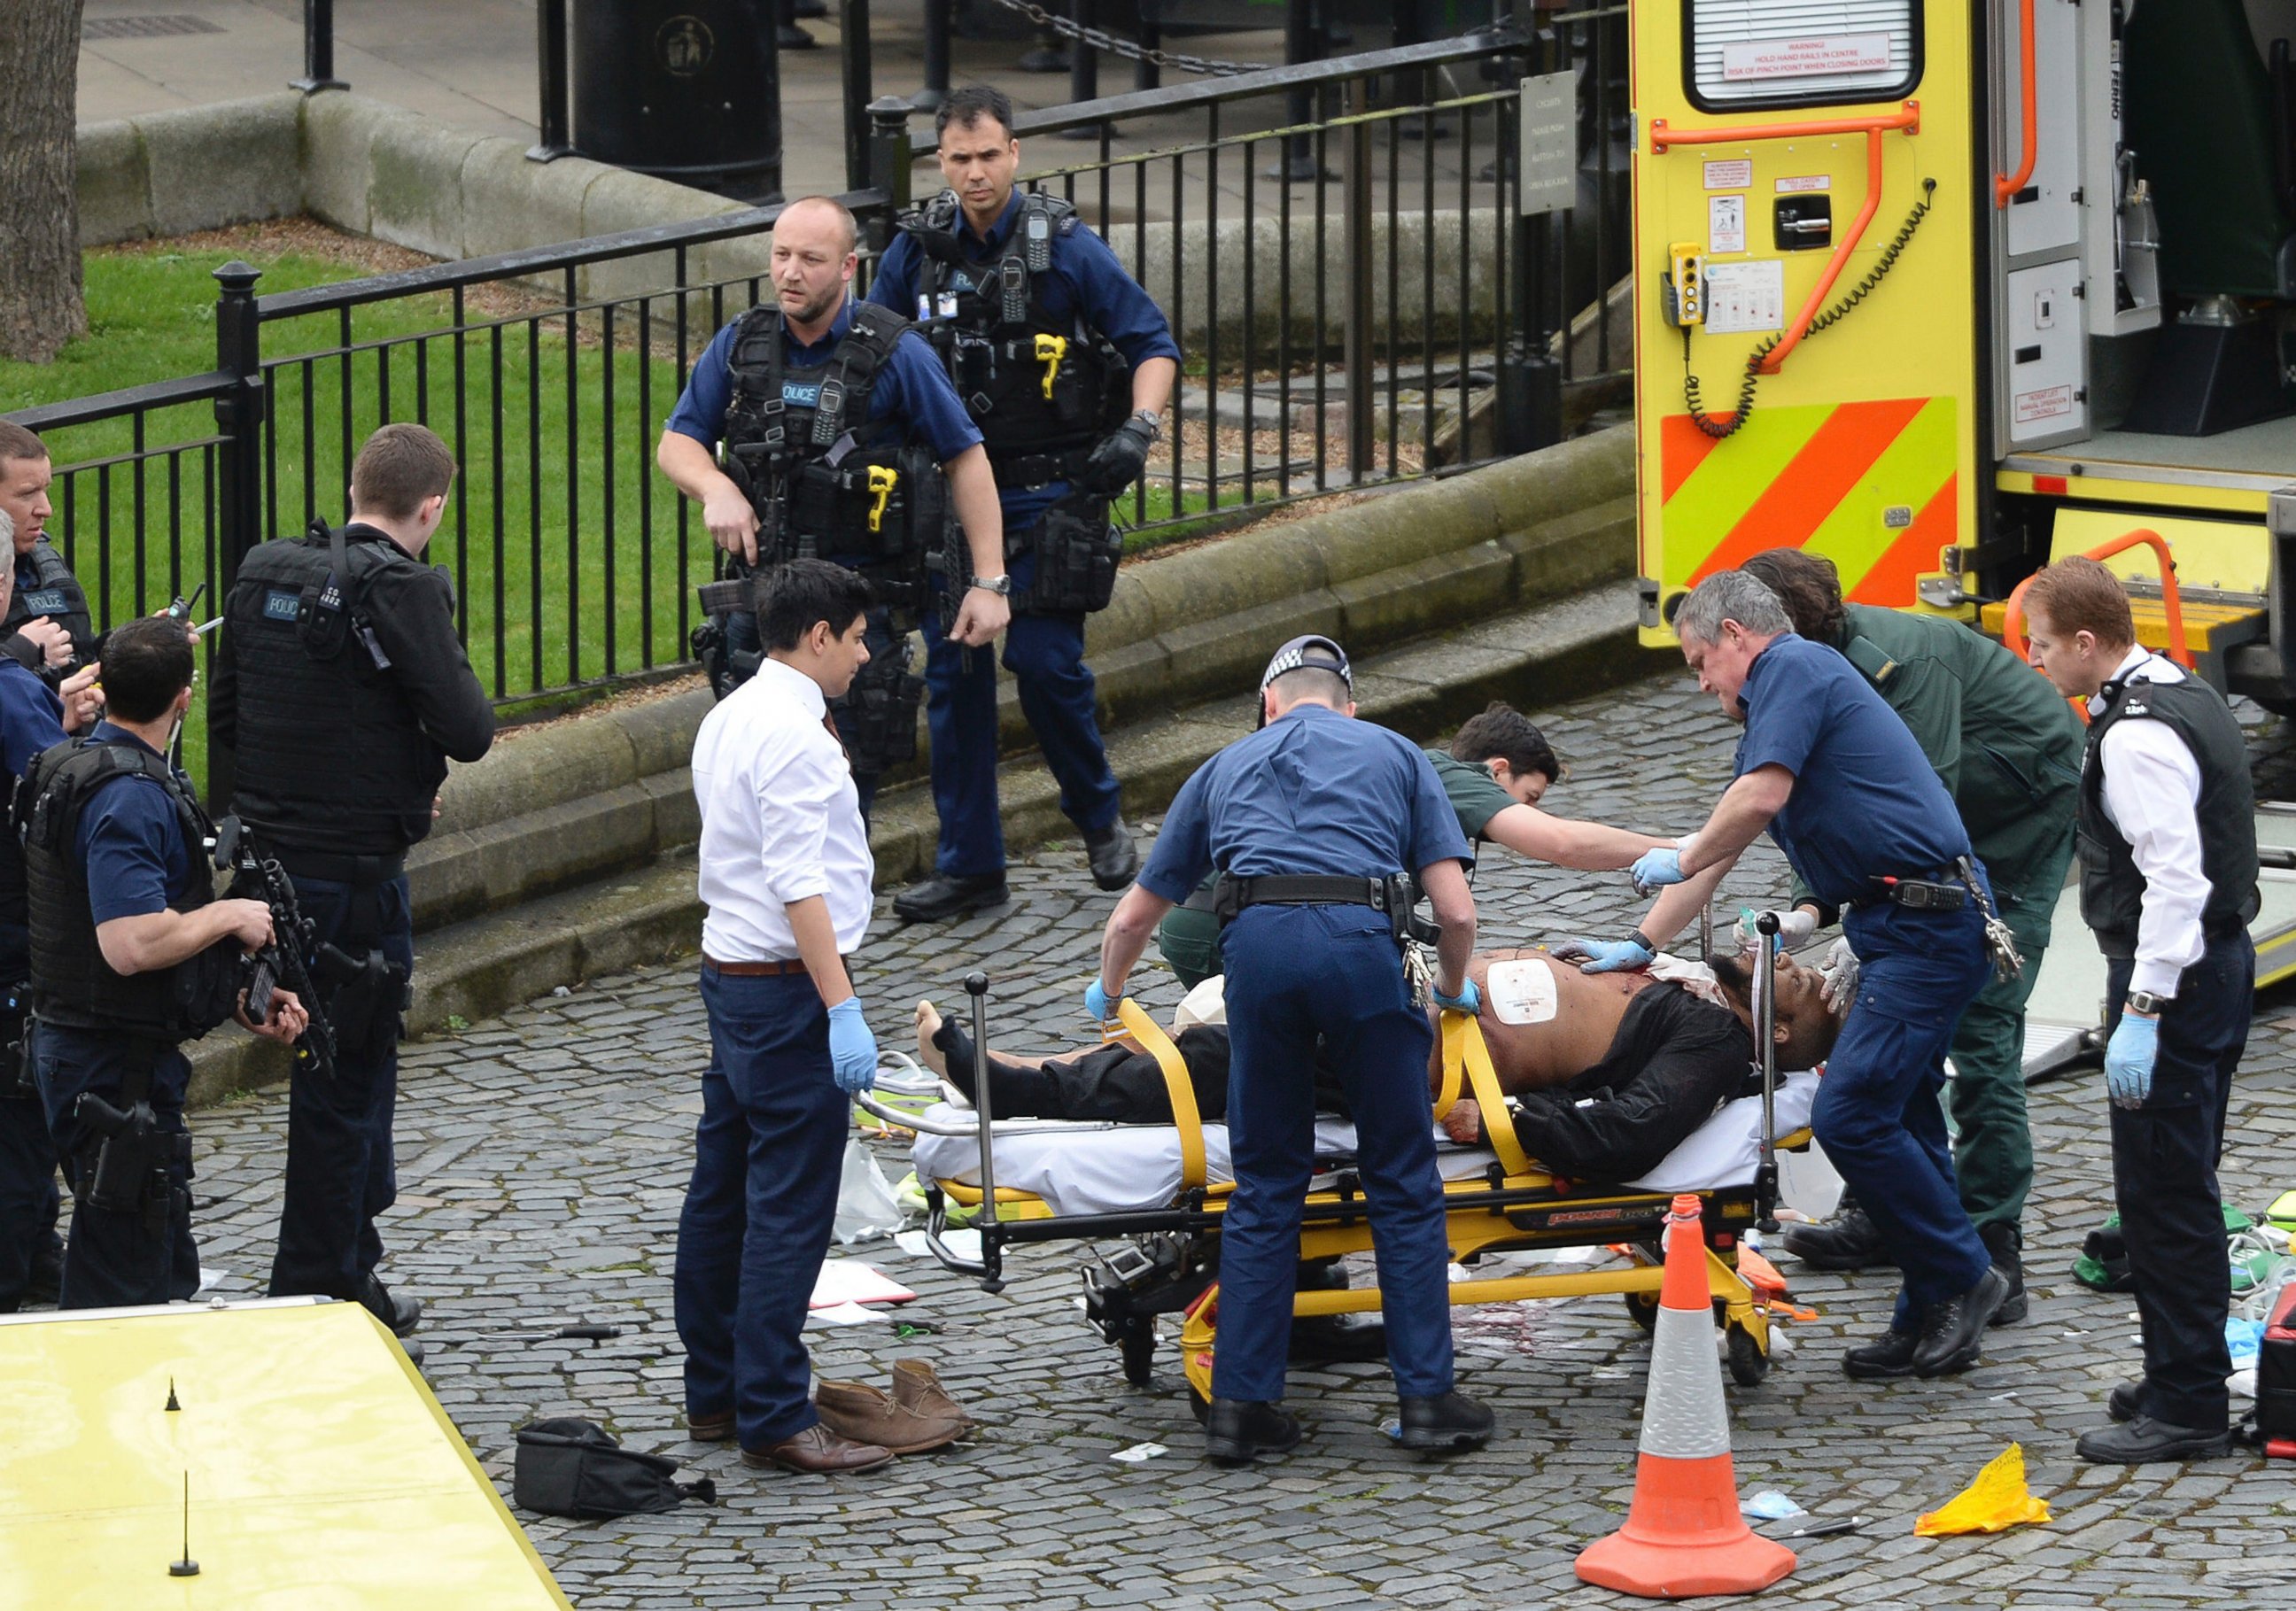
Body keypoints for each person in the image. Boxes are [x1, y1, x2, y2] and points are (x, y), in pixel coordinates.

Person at [1090, 634, 1493, 1464]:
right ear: (1348, 702)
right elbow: (1455, 913)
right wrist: (1452, 992)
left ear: (1270, 704)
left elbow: (1133, 917)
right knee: (1401, 1177)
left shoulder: (1224, 767)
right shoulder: (1397, 756)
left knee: (1268, 1179)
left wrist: (1113, 991)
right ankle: (1427, 1403)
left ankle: (1242, 1407)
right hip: (1360, 947)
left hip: (1260, 956)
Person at [1613, 569, 2010, 1378]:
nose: (1700, 682)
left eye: (1698, 662)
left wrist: (1683, 853)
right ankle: (1927, 1309)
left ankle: (1968, 1278)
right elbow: (1729, 842)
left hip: (1927, 926)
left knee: (1853, 1111)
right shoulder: (1779, 704)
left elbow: (1752, 805)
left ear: (1735, 635)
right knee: (1908, 1118)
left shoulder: (1789, 668)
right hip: (1899, 920)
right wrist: (1640, 945)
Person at [1713, 548, 2083, 1321]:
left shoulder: (1896, 671)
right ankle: (1905, 1215)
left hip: (2009, 826)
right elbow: (1815, 811)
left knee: (1982, 1024)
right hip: (1923, 863)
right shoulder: (1800, 673)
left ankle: (1989, 1237)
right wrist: (1814, 908)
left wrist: (1853, 915)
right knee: (1890, 1030)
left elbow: (1912, 803)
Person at [869, 83, 1183, 923]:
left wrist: (1139, 429)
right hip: (948, 501)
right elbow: (871, 355)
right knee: (954, 676)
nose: (975, 174)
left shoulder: (1068, 249)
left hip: (1047, 493)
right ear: (941, 161)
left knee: (1045, 665)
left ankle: (1098, 814)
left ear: (1015, 154)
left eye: (989, 156)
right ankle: (972, 865)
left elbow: (1153, 344)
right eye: (958, 159)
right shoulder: (915, 253)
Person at [210, 421, 496, 1341]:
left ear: (354, 486)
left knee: (337, 1071)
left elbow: (227, 710)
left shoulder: (264, 570)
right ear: (432, 507)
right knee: (346, 1078)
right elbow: (468, 726)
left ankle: (346, 1264)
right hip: (353, 879)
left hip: (268, 863)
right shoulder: (402, 586)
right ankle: (320, 1286)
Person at [912, 944, 1843, 1182]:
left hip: (1423, 1054)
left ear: (1783, 1041)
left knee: (1213, 1064)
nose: (1799, 972)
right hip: (1410, 1003)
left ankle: (1019, 1082)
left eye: (1801, 995)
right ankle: (1021, 1072)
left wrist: (1511, 1125)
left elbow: (1635, 1130)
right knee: (1215, 1051)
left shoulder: (1718, 1043)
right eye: (1805, 973)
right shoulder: (1683, 983)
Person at [657, 195, 1010, 821]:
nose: (791, 272)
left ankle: (832, 920)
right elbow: (678, 442)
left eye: (811, 259)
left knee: (835, 806)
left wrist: (988, 582)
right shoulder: (743, 343)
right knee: (749, 798)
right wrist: (717, 488)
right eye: (782, 255)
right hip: (760, 608)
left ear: (848, 267)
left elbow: (967, 459)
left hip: (852, 614)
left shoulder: (897, 353)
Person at [2024, 556, 2257, 1464]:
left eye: (2044, 647)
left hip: (2178, 975)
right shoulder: (2178, 686)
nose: (2037, 662)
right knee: (2179, 1178)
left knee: (2163, 1195)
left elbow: (2175, 879)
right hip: (2219, 962)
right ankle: (2177, 1371)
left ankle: (2189, 1403)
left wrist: (2145, 1007)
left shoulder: (2133, 737)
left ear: (2088, 643)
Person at [675, 560, 902, 1475]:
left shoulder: (730, 715)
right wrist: (841, 1006)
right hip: (783, 989)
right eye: (854, 637)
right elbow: (799, 881)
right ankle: (773, 1408)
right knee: (787, 1208)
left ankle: (717, 1391)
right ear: (816, 637)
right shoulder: (800, 739)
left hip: (730, 976)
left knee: (722, 1188)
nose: (864, 653)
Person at [21, 616, 306, 1308]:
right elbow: (131, 944)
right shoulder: (127, 796)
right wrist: (231, 915)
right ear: (185, 698)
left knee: (159, 1266)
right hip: (111, 1066)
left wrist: (238, 994)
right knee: (121, 1288)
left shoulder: (65, 760)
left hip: (98, 1050)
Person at [1156, 701, 1672, 989]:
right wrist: (1680, 846)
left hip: (1210, 914)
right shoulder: (1453, 778)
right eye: (1528, 797)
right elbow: (1561, 843)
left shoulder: (1405, 768)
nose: (1527, 811)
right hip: (1236, 922)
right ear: (1496, 772)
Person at [0, 507, 103, 1311]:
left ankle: (35, 1258)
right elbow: (49, 806)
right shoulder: (9, 692)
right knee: (20, 1127)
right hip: (13, 938)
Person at [0, 422, 95, 685]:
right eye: (27, 494)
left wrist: (137, 644)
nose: (46, 509)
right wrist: (22, 652)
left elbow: (83, 654)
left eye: (45, 490)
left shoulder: (42, 560)